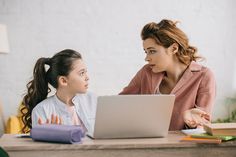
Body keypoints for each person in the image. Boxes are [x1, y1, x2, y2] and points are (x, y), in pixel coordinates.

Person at [120, 19, 216, 130]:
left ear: (173, 48)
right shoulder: (146, 73)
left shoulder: (203, 76)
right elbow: (120, 104)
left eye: (152, 51)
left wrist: (191, 122)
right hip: (146, 142)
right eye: (146, 52)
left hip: (182, 145)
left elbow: (202, 126)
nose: (146, 58)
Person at [21, 49, 97, 133]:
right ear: (63, 81)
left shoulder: (93, 100)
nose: (87, 77)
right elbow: (41, 146)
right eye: (82, 73)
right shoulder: (41, 111)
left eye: (85, 72)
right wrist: (53, 136)